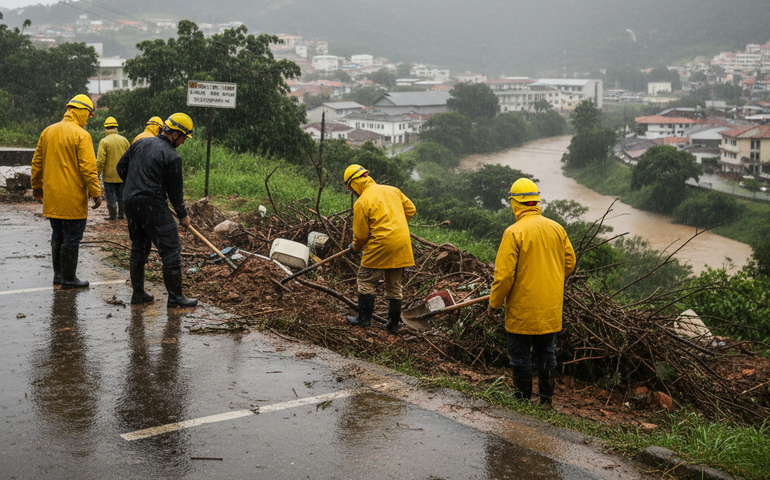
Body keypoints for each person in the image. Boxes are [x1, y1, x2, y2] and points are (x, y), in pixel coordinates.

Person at [487, 178, 576, 406]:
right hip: (550, 307)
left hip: (522, 308)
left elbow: (504, 276)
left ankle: (522, 400)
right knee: (546, 353)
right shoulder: (556, 228)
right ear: (536, 201)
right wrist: (550, 278)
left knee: (520, 356)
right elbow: (570, 263)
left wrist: (494, 304)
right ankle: (545, 402)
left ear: (515, 203)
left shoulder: (514, 232)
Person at [116, 113, 197, 308]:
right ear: (176, 134)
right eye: (184, 137)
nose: (184, 141)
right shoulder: (172, 156)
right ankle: (176, 297)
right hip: (153, 205)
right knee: (171, 249)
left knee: (139, 247)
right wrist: (183, 215)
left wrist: (135, 186)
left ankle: (138, 294)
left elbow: (121, 167)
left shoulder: (140, 143)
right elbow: (175, 193)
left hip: (131, 202)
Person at [31, 94, 102, 289]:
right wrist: (96, 193)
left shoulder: (48, 131)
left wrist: (37, 186)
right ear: (81, 112)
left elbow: (37, 162)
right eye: (88, 115)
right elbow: (88, 169)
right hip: (72, 198)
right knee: (72, 237)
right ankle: (69, 279)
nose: (87, 120)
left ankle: (58, 275)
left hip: (53, 197)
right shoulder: (81, 135)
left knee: (57, 235)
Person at [344, 164, 416, 334]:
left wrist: (354, 247)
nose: (352, 192)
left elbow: (361, 236)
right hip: (402, 243)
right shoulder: (393, 190)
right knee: (395, 285)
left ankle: (364, 319)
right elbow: (411, 209)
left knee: (366, 281)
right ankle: (393, 324)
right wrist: (395, 224)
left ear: (354, 184)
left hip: (381, 244)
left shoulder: (362, 202)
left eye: (350, 188)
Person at [96, 116, 130, 221]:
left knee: (111, 195)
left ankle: (112, 215)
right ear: (116, 128)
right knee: (121, 194)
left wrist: (97, 173)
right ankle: (121, 214)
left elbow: (100, 160)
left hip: (109, 175)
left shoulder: (104, 141)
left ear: (106, 129)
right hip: (122, 174)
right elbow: (130, 157)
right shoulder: (124, 140)